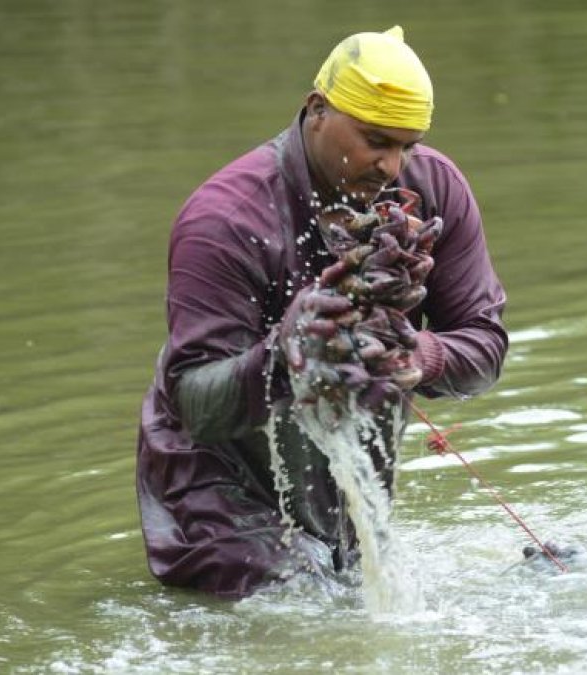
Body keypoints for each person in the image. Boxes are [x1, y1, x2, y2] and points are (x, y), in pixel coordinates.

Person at [135, 25, 508, 598]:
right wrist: (289, 352)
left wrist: (416, 355)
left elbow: (484, 345)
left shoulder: (433, 191)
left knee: (346, 608)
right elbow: (196, 403)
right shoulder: (226, 220)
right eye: (375, 140)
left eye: (408, 146)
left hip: (340, 478)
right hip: (218, 491)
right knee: (298, 615)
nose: (391, 166)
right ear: (316, 110)